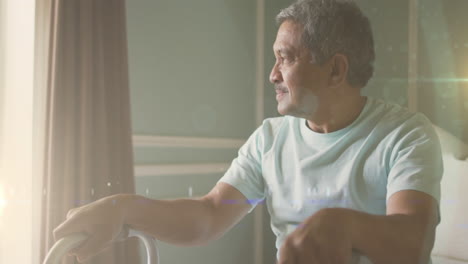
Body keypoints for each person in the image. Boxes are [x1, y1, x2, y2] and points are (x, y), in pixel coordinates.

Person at [53, 0, 443, 263]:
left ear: (336, 70)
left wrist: (342, 225)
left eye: (285, 58)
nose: (272, 74)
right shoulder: (270, 140)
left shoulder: (405, 135)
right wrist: (122, 206)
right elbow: (208, 215)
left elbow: (415, 241)